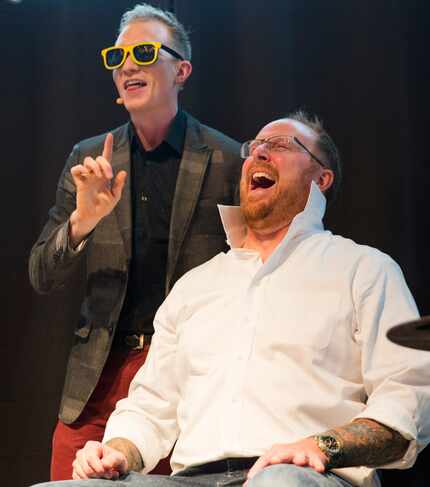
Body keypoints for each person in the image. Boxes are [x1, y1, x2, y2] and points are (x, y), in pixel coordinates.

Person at [32, 111, 430, 487]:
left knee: (279, 481)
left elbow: (409, 393)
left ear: (321, 178)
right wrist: (116, 452)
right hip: (192, 480)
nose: (258, 151)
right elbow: (151, 407)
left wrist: (321, 446)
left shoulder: (364, 269)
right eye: (254, 145)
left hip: (304, 476)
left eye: (281, 145)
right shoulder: (196, 286)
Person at [29, 3, 240, 480]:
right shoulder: (88, 158)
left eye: (144, 52)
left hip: (185, 377)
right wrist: (82, 221)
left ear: (181, 70)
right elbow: (42, 273)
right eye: (116, 57)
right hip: (98, 376)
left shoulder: (228, 160)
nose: (126, 66)